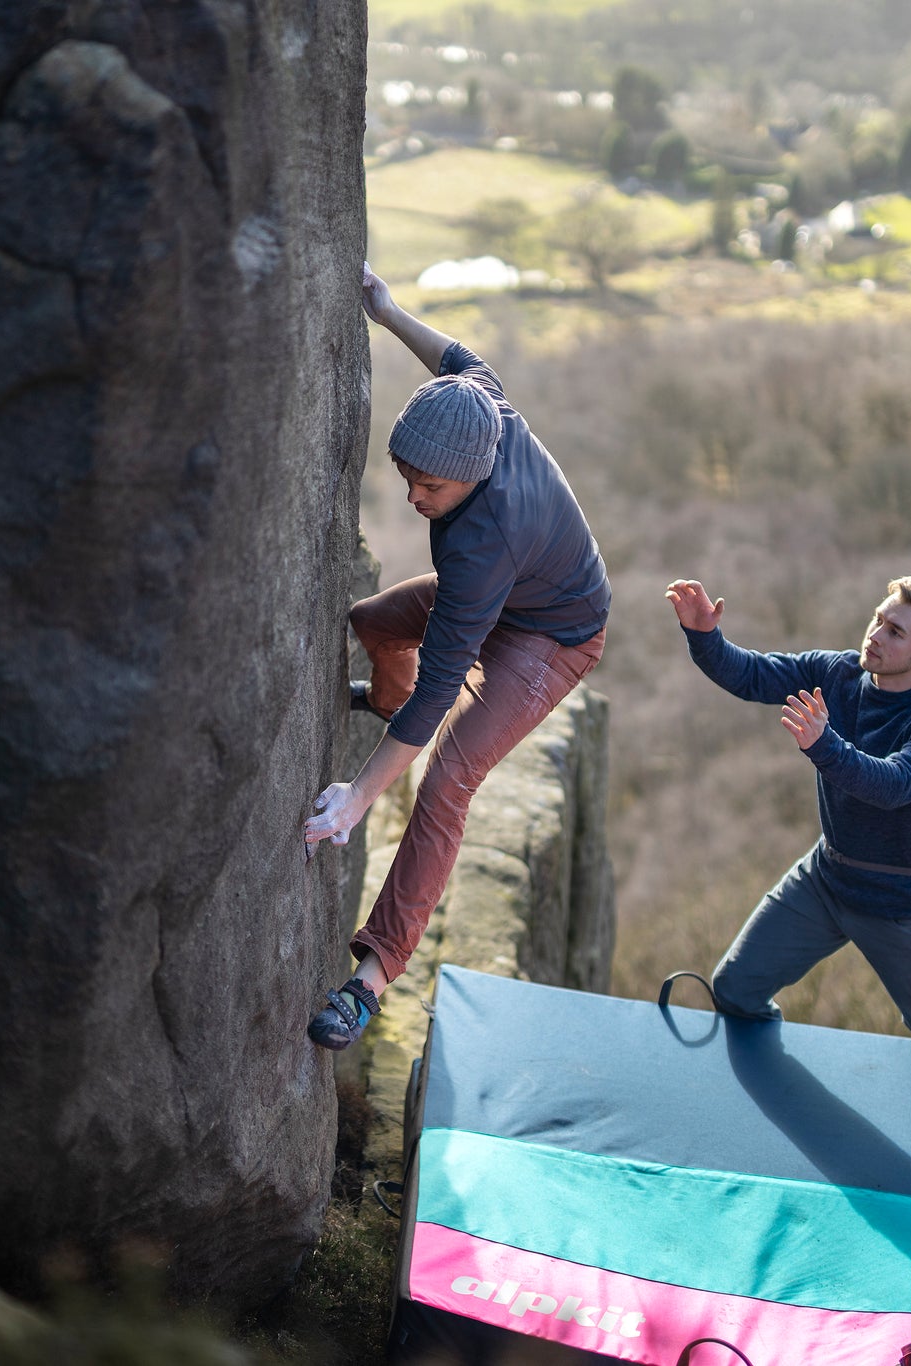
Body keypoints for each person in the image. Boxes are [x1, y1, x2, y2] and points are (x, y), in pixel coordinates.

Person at [302, 264, 611, 1049]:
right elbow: (455, 358)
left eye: (429, 487)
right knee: (374, 621)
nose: (414, 499)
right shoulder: (481, 405)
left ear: (471, 476)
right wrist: (388, 310)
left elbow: (445, 684)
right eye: (406, 477)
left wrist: (358, 797)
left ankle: (369, 981)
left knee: (446, 779)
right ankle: (383, 709)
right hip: (516, 591)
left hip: (554, 636)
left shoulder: (484, 540)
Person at [664, 574, 911, 1170]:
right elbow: (754, 675)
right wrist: (705, 638)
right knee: (736, 989)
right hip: (829, 878)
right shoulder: (840, 673)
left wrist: (824, 746)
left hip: (907, 904)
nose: (875, 635)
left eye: (895, 632)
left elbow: (892, 785)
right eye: (878, 618)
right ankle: (780, 1104)